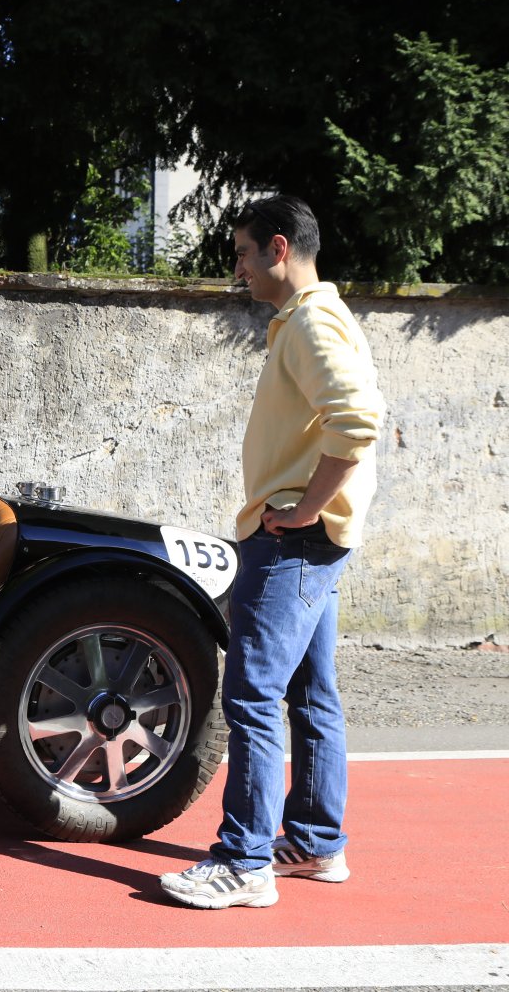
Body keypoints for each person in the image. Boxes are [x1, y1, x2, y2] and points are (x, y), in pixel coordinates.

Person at [160, 195, 385, 910]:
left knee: (252, 693)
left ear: (278, 248)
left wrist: (306, 508)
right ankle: (315, 843)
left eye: (243, 254)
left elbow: (358, 421)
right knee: (311, 694)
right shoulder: (317, 317)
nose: (239, 269)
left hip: (294, 540)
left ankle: (244, 861)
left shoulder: (312, 321)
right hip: (315, 540)